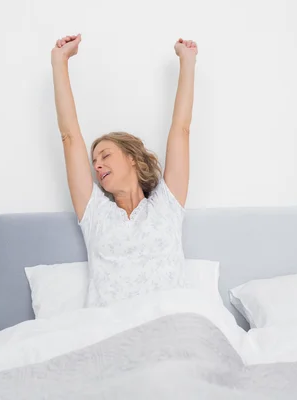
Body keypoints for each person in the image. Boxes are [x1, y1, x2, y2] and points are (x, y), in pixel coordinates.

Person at [51, 33, 198, 307]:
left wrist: (187, 62)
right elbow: (69, 136)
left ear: (132, 158)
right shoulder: (95, 212)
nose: (97, 165)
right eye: (94, 162)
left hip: (169, 327)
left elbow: (181, 129)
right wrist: (59, 62)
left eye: (105, 155)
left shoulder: (167, 205)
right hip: (109, 333)